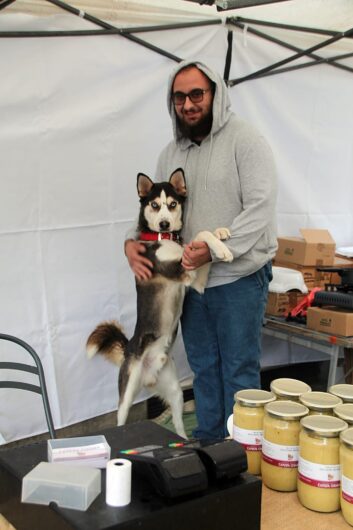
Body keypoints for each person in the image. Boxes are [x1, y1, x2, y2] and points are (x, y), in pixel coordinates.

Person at [125, 60, 277, 439]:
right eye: (180, 97)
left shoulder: (246, 140)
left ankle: (243, 459)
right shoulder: (169, 155)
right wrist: (131, 242)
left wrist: (218, 249)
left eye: (197, 94)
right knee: (204, 367)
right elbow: (153, 213)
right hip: (191, 282)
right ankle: (211, 451)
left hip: (238, 277)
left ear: (215, 94)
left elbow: (261, 207)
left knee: (239, 370)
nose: (189, 104)